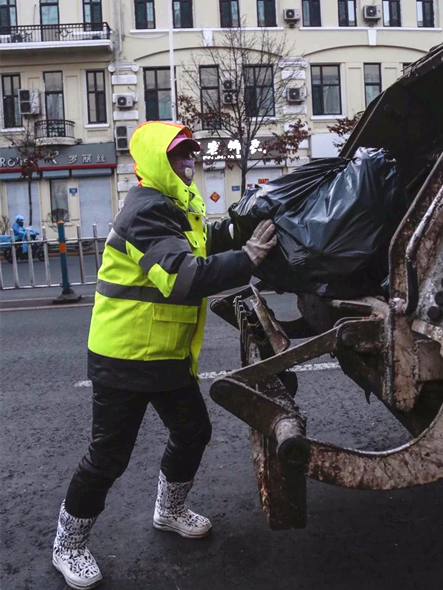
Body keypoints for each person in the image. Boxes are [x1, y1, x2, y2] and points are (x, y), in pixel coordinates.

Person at [52, 121, 277, 589]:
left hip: (165, 355)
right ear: (158, 161)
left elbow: (202, 245)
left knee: (193, 431)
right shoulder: (146, 211)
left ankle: (169, 511)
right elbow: (180, 276)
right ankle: (67, 546)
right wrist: (248, 259)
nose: (189, 161)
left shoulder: (176, 206)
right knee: (109, 456)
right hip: (126, 356)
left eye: (191, 153)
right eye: (178, 155)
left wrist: (242, 227)